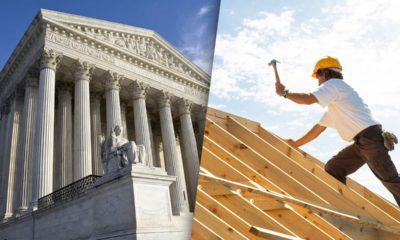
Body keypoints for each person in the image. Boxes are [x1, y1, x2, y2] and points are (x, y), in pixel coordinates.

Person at [274, 56, 400, 206]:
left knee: (391, 181)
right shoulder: (337, 104)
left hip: (369, 139)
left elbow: (307, 99)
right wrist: (295, 144)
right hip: (362, 142)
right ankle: (346, 206)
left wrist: (285, 93)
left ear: (324, 73)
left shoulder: (334, 85)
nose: (318, 82)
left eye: (318, 76)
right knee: (334, 168)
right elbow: (317, 130)